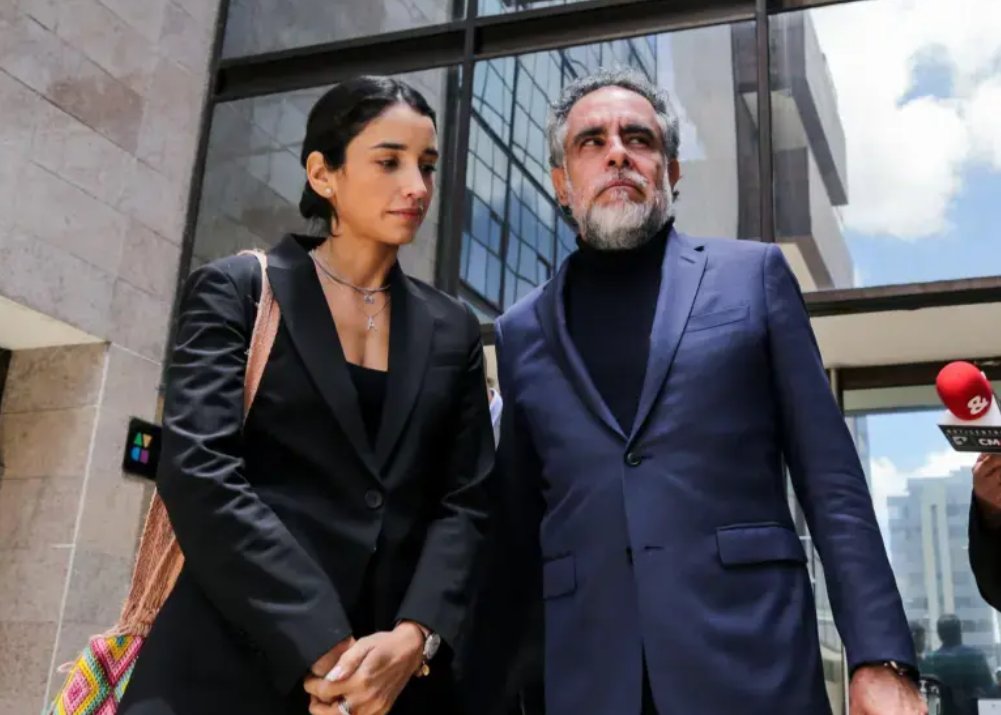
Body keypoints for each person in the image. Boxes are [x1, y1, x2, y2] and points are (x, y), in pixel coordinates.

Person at [464, 68, 923, 715]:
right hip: (589, 681)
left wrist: (879, 658)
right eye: (591, 142)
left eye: (638, 138)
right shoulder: (520, 331)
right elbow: (514, 533)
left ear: (671, 171)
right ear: (561, 182)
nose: (617, 153)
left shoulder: (752, 278)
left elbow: (832, 483)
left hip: (750, 666)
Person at [118, 76, 494, 715]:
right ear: (324, 174)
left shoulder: (452, 328)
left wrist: (415, 638)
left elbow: (467, 501)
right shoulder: (237, 291)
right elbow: (200, 473)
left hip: (389, 685)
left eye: (427, 166)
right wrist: (324, 647)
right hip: (225, 669)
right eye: (389, 161)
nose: (417, 186)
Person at [921, 615, 993, 715]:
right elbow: (989, 689)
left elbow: (924, 693)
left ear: (939, 634)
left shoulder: (930, 660)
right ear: (959, 631)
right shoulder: (976, 656)